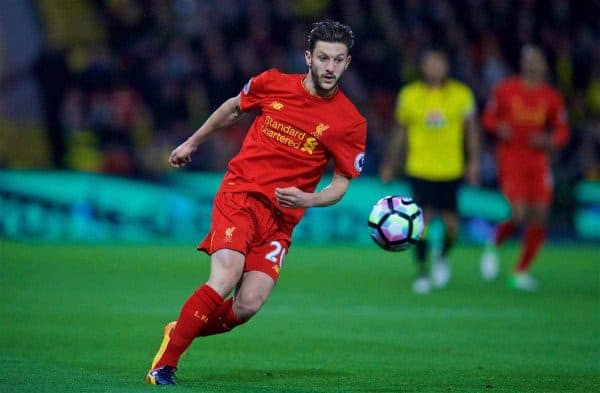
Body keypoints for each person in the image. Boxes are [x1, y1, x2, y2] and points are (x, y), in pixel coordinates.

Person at [146, 20, 366, 385]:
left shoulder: (350, 123)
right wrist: (193, 141)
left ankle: (181, 329)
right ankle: (164, 365)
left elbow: (341, 184)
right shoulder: (272, 83)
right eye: (324, 58)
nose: (330, 67)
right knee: (226, 275)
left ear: (348, 64)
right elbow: (233, 108)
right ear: (309, 57)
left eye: (338, 60)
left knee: (247, 306)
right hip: (241, 195)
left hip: (281, 218)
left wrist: (308, 199)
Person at [380, 49, 480, 294]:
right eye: (430, 63)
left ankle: (442, 256)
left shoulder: (461, 94)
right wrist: (391, 163)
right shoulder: (410, 95)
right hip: (420, 167)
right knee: (422, 221)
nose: (434, 68)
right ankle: (422, 270)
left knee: (452, 225)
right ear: (423, 67)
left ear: (447, 65)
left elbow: (471, 131)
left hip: (451, 169)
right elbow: (400, 131)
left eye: (439, 63)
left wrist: (474, 162)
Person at [479, 45, 569, 291]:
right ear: (522, 64)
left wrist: (550, 141)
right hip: (511, 159)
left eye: (536, 60)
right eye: (527, 60)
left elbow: (562, 130)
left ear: (544, 65)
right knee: (519, 214)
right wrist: (499, 128)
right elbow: (488, 118)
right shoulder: (505, 90)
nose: (531, 64)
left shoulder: (551, 97)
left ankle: (520, 271)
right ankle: (494, 242)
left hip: (538, 163)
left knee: (540, 215)